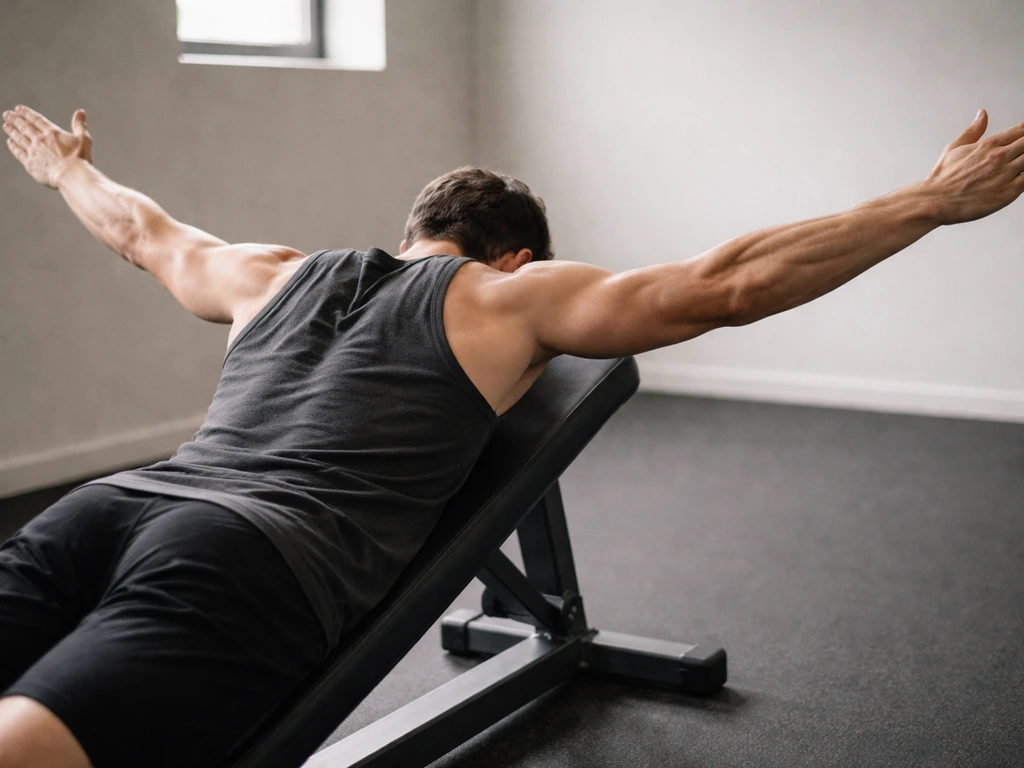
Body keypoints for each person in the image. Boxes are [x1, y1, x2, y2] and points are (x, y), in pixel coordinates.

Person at [2, 102, 1022, 767]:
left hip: (111, 505)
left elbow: (142, 233)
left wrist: (68, 174)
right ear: (518, 253)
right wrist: (929, 200)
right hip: (247, 560)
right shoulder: (503, 296)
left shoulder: (268, 272)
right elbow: (730, 286)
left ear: (412, 227)